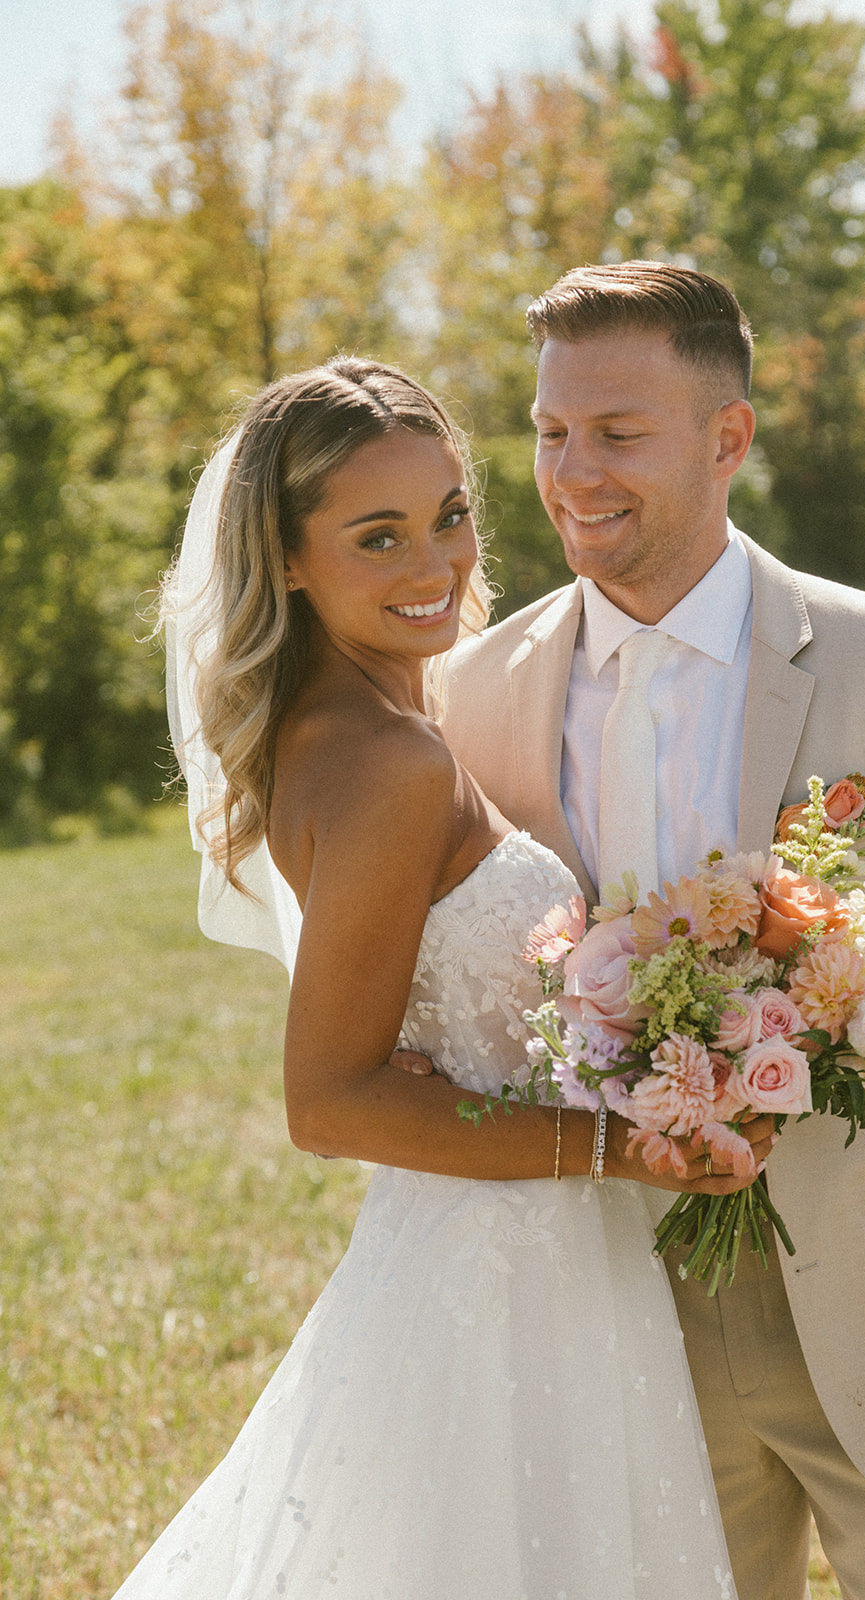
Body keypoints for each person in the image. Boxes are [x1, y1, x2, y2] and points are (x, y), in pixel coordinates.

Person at [441, 261, 865, 1600]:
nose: (571, 473)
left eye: (616, 433)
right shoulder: (473, 690)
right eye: (549, 433)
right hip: (613, 1311)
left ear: (727, 438)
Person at [112, 353, 772, 1600]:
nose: (434, 566)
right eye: (379, 536)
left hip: (523, 1247)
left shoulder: (370, 722)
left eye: (450, 515)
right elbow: (332, 1100)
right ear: (290, 557)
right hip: (494, 1270)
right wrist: (613, 1145)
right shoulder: (382, 764)